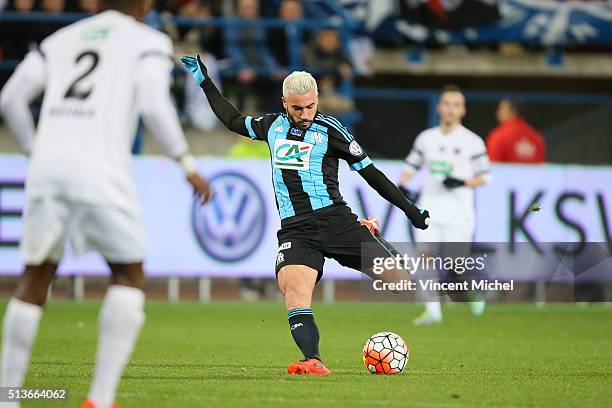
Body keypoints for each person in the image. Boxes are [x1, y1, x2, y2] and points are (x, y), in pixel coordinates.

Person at [0, 1, 212, 407]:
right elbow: (153, 104)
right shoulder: (147, 41)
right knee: (129, 273)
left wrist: (35, 150)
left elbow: (11, 98)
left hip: (47, 171)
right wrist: (186, 163)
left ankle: (8, 397)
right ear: (145, 5)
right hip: (100, 171)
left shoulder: (59, 39)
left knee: (34, 278)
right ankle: (99, 398)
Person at [181, 55, 430, 375]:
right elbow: (232, 120)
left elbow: (372, 174)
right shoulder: (271, 126)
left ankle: (371, 234)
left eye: (310, 106)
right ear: (284, 103)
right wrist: (205, 82)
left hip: (336, 222)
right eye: (297, 108)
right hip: (296, 231)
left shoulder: (332, 130)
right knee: (295, 293)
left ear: (317, 101)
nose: (304, 114)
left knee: (400, 283)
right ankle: (313, 360)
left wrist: (410, 211)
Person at [399, 85, 491, 326]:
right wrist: (404, 184)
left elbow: (486, 176)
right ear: (440, 107)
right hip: (430, 206)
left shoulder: (472, 141)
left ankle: (472, 292)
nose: (450, 109)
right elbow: (411, 165)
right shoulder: (426, 138)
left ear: (463, 110)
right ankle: (433, 311)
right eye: (447, 104)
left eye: (456, 105)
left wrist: (462, 181)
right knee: (426, 256)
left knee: (456, 263)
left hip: (459, 211)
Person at [486, 98, 546, 163]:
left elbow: (493, 165)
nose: (498, 113)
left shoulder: (499, 135)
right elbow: (540, 168)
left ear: (513, 112)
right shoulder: (536, 137)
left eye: (501, 109)